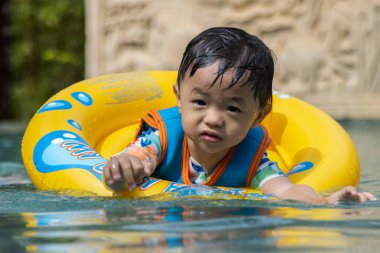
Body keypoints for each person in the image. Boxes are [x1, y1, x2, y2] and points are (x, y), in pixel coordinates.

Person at [102, 27, 375, 204]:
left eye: (232, 108)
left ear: (258, 116)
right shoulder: (162, 140)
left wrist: (327, 202)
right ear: (179, 99)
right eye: (199, 102)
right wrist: (123, 168)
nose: (214, 118)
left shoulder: (254, 161)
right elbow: (133, 159)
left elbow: (287, 191)